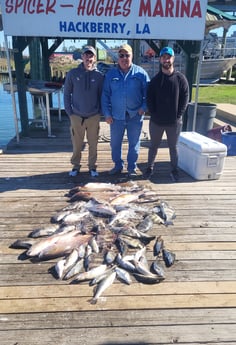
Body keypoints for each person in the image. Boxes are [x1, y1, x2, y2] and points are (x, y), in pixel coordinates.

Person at [101, 43, 150, 178]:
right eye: (121, 55)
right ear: (118, 57)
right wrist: (107, 113)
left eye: (127, 55)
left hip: (135, 115)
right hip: (116, 117)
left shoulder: (141, 73)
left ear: (132, 56)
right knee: (115, 143)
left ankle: (132, 167)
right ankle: (118, 165)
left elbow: (148, 93)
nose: (124, 58)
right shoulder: (110, 75)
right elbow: (105, 95)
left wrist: (143, 108)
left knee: (134, 143)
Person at [144, 46, 189, 182]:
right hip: (156, 122)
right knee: (153, 146)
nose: (166, 60)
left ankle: (174, 170)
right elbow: (149, 98)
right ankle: (149, 168)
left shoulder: (181, 79)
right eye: (163, 57)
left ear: (173, 59)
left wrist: (178, 115)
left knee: (173, 148)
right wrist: (153, 113)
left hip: (174, 122)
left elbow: (185, 98)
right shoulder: (155, 80)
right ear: (160, 60)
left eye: (168, 57)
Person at [64, 45, 104, 177]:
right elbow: (66, 94)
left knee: (93, 144)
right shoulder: (72, 73)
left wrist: (100, 112)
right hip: (76, 116)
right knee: (77, 144)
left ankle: (92, 167)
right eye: (86, 55)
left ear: (94, 58)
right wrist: (70, 112)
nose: (88, 58)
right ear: (82, 57)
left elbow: (101, 95)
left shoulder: (99, 76)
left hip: (93, 116)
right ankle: (76, 166)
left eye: (91, 55)